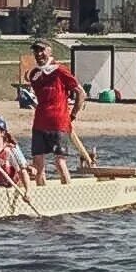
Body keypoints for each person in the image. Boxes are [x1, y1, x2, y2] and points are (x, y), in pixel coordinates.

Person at [26, 40, 86, 186]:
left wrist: (72, 115)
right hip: (39, 123)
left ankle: (67, 191)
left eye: (42, 50)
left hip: (58, 122)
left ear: (49, 51)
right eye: (36, 51)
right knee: (38, 164)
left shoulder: (60, 70)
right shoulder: (35, 74)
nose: (38, 54)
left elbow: (81, 93)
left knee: (60, 162)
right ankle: (42, 192)